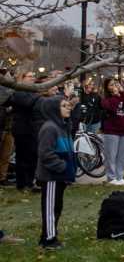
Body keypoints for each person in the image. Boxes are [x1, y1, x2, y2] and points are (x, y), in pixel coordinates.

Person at [34, 92, 79, 248]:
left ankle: (47, 234)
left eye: (68, 105)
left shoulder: (64, 127)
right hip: (51, 175)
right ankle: (49, 239)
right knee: (50, 207)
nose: (68, 108)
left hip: (60, 175)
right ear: (54, 109)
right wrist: (62, 166)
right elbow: (45, 153)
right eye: (64, 106)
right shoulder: (50, 128)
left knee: (57, 206)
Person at [100, 81, 124, 185]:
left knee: (123, 156)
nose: (115, 86)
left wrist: (123, 94)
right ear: (107, 87)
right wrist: (116, 96)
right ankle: (111, 178)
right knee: (111, 155)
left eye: (116, 84)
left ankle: (120, 177)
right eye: (111, 85)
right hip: (112, 130)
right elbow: (112, 107)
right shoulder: (106, 99)